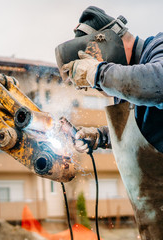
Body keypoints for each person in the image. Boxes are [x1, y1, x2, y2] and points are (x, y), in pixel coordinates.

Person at [58, 6, 163, 240]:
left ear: (107, 42)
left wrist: (98, 74)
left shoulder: (158, 48)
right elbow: (147, 132)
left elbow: (158, 84)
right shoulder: (127, 90)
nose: (98, 90)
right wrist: (101, 137)